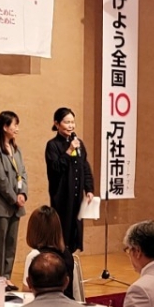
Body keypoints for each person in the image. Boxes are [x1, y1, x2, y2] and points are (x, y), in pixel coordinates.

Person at [0, 110, 27, 285]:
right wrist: (14, 197)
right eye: (14, 125)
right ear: (4, 127)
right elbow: (0, 179)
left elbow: (23, 173)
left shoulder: (16, 149)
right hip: (0, 205)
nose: (17, 129)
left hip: (16, 205)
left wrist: (22, 193)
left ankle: (7, 278)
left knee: (11, 243)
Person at [45, 107, 95, 254]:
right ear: (57, 124)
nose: (71, 126)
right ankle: (61, 259)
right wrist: (69, 151)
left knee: (75, 230)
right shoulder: (52, 145)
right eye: (67, 122)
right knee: (62, 231)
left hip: (77, 196)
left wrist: (89, 189)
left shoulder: (79, 144)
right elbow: (55, 168)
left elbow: (85, 167)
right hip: (62, 196)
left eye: (73, 122)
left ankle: (71, 258)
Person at [21, 205, 74, 300]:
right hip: (68, 304)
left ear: (33, 231)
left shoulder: (35, 257)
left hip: (43, 306)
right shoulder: (68, 254)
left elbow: (27, 292)